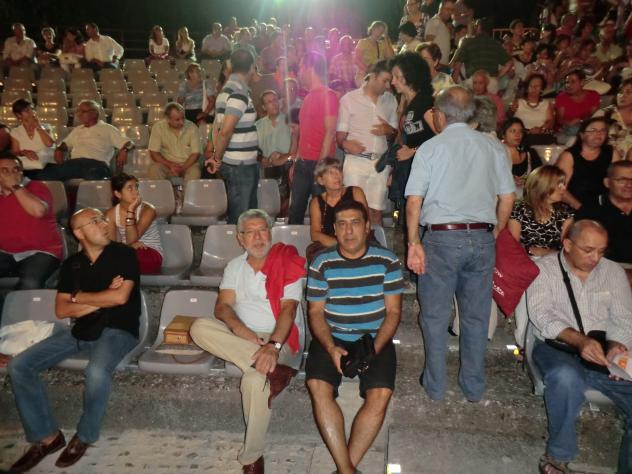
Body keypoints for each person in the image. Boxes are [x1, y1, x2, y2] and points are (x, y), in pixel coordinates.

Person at [7, 207, 141, 472]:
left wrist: (79, 298)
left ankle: (85, 435)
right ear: (79, 232)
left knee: (96, 372)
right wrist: (101, 299)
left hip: (118, 329)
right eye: (95, 221)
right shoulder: (72, 264)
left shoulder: (123, 254)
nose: (104, 224)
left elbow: (120, 298)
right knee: (19, 365)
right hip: (81, 331)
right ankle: (48, 437)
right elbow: (61, 309)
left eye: (103, 219)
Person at [405, 85, 515, 401]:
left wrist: (413, 242)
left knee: (435, 317)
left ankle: (436, 385)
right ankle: (473, 386)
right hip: (481, 237)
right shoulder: (494, 147)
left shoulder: (431, 148)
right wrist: (496, 230)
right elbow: (508, 197)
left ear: (441, 114)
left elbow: (414, 201)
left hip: (441, 238)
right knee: (476, 318)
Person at [190, 209, 305, 474]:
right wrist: (242, 331)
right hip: (244, 336)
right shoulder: (234, 267)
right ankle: (275, 371)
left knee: (254, 380)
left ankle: (251, 458)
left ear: (270, 233)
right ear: (240, 239)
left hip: (280, 338)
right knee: (198, 327)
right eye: (250, 232)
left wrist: (273, 346)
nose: (258, 237)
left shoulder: (287, 261)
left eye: (262, 230)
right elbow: (222, 307)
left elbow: (288, 310)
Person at [306, 199, 404, 474]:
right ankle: (347, 470)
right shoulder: (322, 262)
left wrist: (373, 349)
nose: (349, 231)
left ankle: (344, 469)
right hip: (333, 335)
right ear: (335, 229)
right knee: (317, 386)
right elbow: (315, 312)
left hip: (374, 337)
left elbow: (394, 312)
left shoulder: (387, 260)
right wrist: (331, 347)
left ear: (367, 227)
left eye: (355, 223)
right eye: (342, 224)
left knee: (381, 393)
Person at [527, 220, 632, 474]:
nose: (596, 258)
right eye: (588, 250)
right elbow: (542, 316)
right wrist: (580, 341)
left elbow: (623, 318)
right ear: (568, 244)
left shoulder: (613, 272)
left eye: (601, 251)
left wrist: (616, 348)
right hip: (557, 346)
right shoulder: (544, 269)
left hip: (602, 351)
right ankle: (558, 456)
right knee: (565, 377)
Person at [507, 165, 574, 344]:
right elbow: (513, 246)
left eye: (564, 184)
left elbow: (568, 249)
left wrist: (543, 252)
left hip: (554, 264)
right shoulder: (520, 209)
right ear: (544, 185)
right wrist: (531, 251)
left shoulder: (564, 212)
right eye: (559, 184)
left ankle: (544, 338)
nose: (564, 189)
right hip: (525, 263)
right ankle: (523, 340)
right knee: (530, 276)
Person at [336, 59, 398, 224]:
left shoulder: (391, 100)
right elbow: (340, 137)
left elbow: (395, 134)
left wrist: (390, 131)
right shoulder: (349, 99)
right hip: (356, 162)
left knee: (376, 212)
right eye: (385, 80)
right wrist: (346, 144)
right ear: (373, 76)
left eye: (390, 82)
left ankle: (376, 241)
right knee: (355, 213)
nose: (388, 86)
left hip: (380, 164)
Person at [204, 49, 258, 224]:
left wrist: (216, 156)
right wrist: (216, 158)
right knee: (242, 220)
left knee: (242, 219)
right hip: (240, 166)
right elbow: (225, 131)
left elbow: (217, 127)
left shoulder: (226, 90)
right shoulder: (238, 92)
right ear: (251, 67)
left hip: (236, 165)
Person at [287, 52, 339, 224]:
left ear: (310, 68)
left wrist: (321, 167)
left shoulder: (329, 95)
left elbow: (330, 132)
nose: (299, 72)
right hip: (303, 163)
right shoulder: (308, 97)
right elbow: (305, 133)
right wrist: (296, 161)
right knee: (295, 211)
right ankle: (294, 242)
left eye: (301, 66)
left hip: (320, 163)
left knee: (322, 213)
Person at [0, 152, 62, 290]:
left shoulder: (36, 187)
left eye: (15, 169)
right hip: (6, 252)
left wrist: (15, 186)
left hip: (41, 251)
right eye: (5, 170)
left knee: (30, 282)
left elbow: (38, 211)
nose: (11, 174)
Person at [389, 52, 435, 215]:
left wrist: (414, 151)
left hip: (429, 172)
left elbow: (444, 139)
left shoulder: (425, 103)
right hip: (414, 170)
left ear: (410, 76)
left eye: (397, 77)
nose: (392, 81)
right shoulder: (410, 103)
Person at [41, 100, 131, 181]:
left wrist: (124, 150)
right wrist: (59, 149)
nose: (79, 114)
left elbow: (129, 143)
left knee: (91, 175)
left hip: (97, 165)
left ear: (94, 113)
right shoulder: (77, 130)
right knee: (45, 174)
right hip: (75, 165)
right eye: (78, 111)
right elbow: (65, 144)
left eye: (83, 111)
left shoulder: (108, 129)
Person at [574, 161, 632, 284]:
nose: (629, 185)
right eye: (622, 180)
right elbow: (580, 252)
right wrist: (619, 272)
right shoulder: (591, 209)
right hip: (602, 271)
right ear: (607, 182)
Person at [556, 116, 622, 210]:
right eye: (593, 130)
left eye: (603, 130)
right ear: (582, 135)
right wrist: (581, 208)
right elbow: (559, 188)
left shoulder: (612, 153)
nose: (598, 134)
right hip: (575, 206)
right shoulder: (569, 156)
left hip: (605, 205)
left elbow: (620, 182)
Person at [105, 173, 163, 275]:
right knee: (108, 256)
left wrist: (131, 210)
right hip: (127, 251)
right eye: (130, 188)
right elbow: (111, 245)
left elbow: (132, 239)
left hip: (149, 252)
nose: (135, 191)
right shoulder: (111, 214)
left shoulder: (148, 210)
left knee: (126, 259)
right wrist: (129, 247)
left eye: (136, 187)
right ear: (118, 194)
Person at [309, 157, 369, 249]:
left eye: (339, 171)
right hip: (330, 244)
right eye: (331, 173)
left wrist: (351, 244)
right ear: (321, 180)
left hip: (358, 242)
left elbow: (366, 223)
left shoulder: (356, 192)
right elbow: (315, 234)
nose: (337, 176)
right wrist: (341, 245)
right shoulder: (316, 202)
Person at [256, 90, 297, 213]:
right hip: (265, 170)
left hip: (287, 168)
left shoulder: (290, 122)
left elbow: (296, 148)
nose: (274, 104)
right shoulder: (258, 125)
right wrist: (261, 158)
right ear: (264, 107)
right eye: (269, 102)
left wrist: (282, 156)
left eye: (275, 100)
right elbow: (253, 150)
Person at [450, 17, 512, 89]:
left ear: (479, 28)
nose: (474, 28)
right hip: (491, 83)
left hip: (474, 83)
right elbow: (509, 63)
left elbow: (457, 66)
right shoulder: (496, 44)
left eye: (476, 26)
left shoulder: (467, 42)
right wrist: (497, 77)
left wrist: (453, 86)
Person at [148, 102, 201, 182]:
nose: (182, 122)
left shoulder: (192, 127)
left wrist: (183, 168)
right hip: (166, 165)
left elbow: (196, 153)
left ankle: (188, 191)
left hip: (188, 165)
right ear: (168, 119)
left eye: (183, 118)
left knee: (195, 172)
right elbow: (154, 153)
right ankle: (163, 191)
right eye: (177, 120)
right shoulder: (158, 127)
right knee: (154, 169)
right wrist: (170, 165)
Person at [9, 99, 56, 179]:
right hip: (27, 165)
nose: (31, 112)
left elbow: (49, 144)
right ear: (19, 115)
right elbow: (15, 151)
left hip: (45, 164)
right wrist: (25, 152)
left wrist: (38, 127)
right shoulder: (15, 132)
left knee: (39, 175)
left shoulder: (46, 127)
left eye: (31, 109)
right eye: (26, 110)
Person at [501, 117, 543, 198]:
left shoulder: (531, 154)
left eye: (520, 131)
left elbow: (542, 178)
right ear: (503, 135)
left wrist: (530, 182)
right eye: (513, 131)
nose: (518, 135)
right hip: (506, 200)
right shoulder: (498, 156)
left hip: (530, 199)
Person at [555, 69, 600, 139]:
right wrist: (569, 123)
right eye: (567, 82)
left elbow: (594, 116)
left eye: (573, 82)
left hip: (586, 128)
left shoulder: (593, 95)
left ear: (582, 82)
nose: (568, 85)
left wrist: (581, 121)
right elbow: (559, 120)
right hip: (566, 131)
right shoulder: (561, 97)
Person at [510, 73, 555, 145]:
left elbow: (550, 122)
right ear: (527, 88)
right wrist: (511, 110)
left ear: (542, 89)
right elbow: (509, 118)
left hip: (540, 137)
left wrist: (541, 129)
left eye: (537, 86)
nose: (534, 88)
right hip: (521, 137)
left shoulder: (546, 104)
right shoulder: (518, 102)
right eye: (531, 85)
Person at [595, 78, 632, 158]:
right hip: (606, 158)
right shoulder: (603, 113)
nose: (622, 95)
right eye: (620, 92)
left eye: (628, 92)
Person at [424, 0, 455, 65]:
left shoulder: (442, 24)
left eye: (452, 10)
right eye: (447, 9)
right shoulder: (434, 22)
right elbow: (428, 44)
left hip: (441, 65)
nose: (450, 12)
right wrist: (434, 63)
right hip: (436, 66)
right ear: (440, 8)